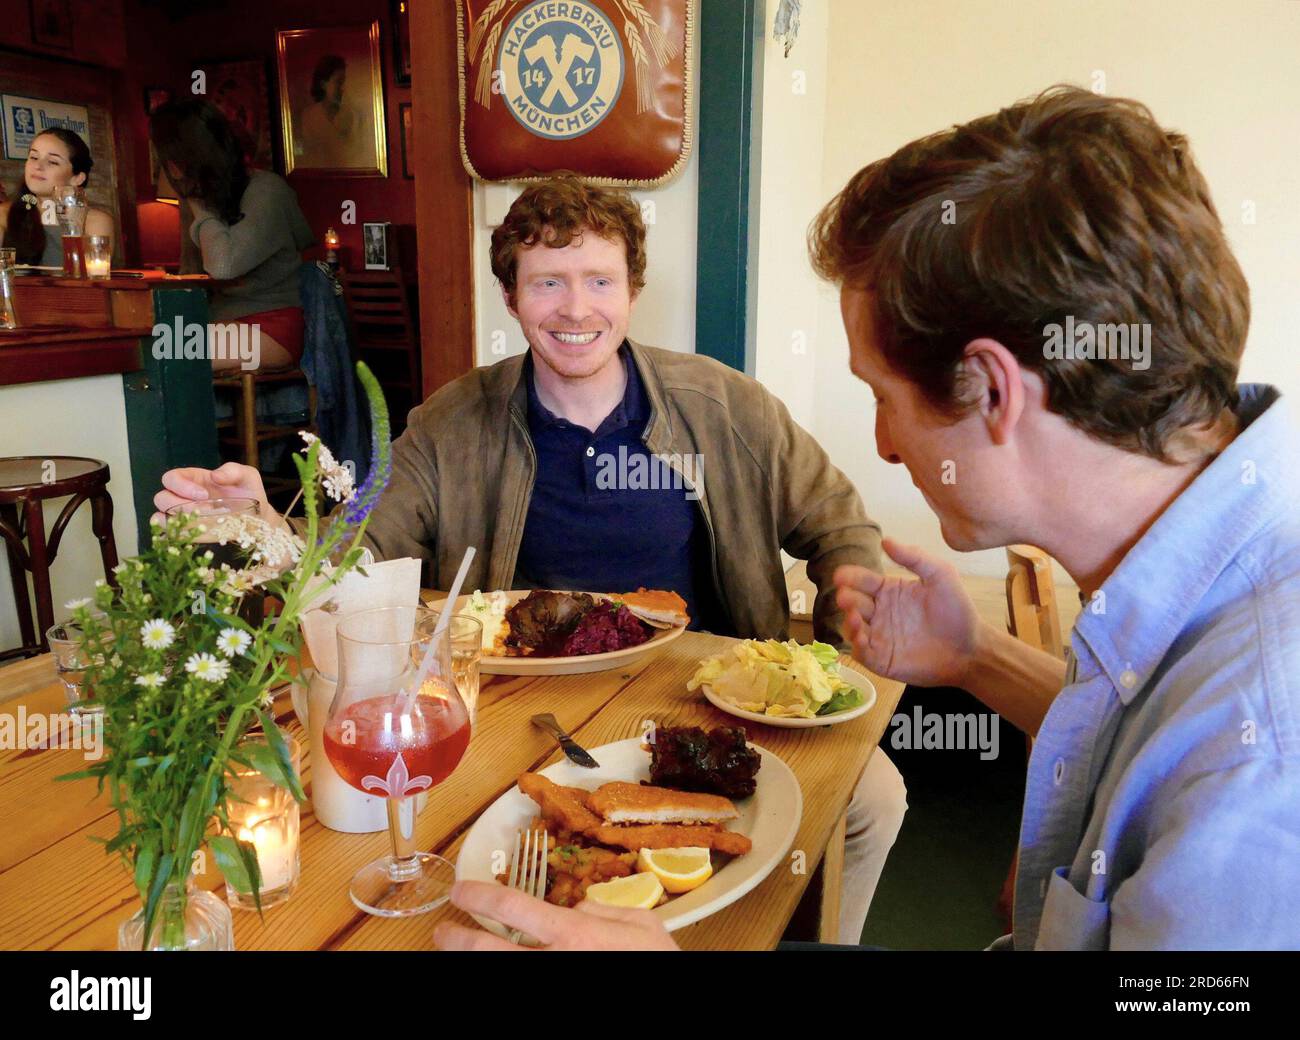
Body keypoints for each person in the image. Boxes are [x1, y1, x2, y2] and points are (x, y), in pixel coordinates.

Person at [441, 84, 1300, 951]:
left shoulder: (1262, 759)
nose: (886, 447)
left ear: (995, 392)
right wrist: (977, 658)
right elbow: (1140, 743)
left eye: (880, 397)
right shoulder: (1224, 594)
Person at [154, 173, 908, 945]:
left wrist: (835, 668)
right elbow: (363, 551)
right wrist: (272, 530)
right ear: (512, 298)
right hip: (514, 710)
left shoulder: (725, 405)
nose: (576, 309)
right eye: (547, 281)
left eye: (599, 280)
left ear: (633, 289)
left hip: (699, 698)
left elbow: (842, 528)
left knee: (872, 796)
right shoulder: (450, 423)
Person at [150, 99, 314, 371]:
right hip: (222, 323)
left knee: (161, 352)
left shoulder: (266, 191)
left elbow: (223, 266)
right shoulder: (202, 199)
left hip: (270, 324)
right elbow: (192, 273)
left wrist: (198, 205)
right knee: (146, 344)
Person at [0, 128, 114, 267]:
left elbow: (94, 281)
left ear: (77, 178)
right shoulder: (4, 215)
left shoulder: (94, 222)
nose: (38, 166)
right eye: (34, 157)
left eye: (52, 162)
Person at [299, 54, 358, 167]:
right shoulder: (309, 116)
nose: (342, 89)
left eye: (343, 82)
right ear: (323, 84)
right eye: (338, 82)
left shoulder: (350, 115)